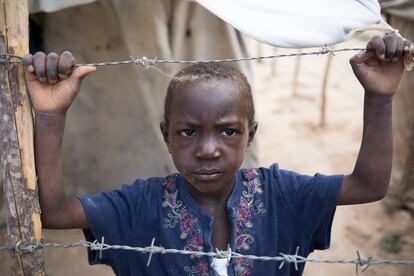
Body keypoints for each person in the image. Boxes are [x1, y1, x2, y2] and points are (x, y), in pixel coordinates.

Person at [22, 34, 409, 275]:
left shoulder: (280, 194)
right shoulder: (140, 205)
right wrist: (52, 115)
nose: (208, 150)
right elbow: (54, 212)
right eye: (189, 132)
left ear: (250, 134)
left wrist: (379, 96)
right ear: (166, 137)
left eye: (228, 132)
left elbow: (369, 185)